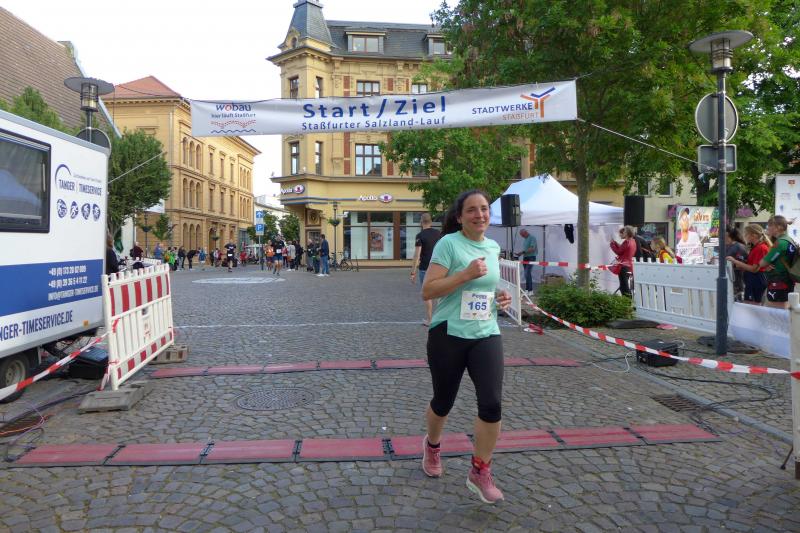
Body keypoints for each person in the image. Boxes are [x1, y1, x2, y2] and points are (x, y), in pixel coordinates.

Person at [420, 189, 512, 504]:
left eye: (484, 208)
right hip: (448, 333)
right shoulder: (448, 244)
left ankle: (480, 470)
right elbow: (428, 290)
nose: (479, 214)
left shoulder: (493, 247)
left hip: (486, 332)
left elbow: (486, 289)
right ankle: (432, 446)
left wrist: (500, 297)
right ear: (460, 217)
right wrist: (464, 274)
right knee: (443, 401)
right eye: (471, 210)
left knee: (492, 404)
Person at [727, 223, 771, 305]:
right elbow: (750, 265)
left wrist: (735, 261)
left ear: (754, 235)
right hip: (752, 279)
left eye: (746, 234)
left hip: (756, 279)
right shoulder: (756, 246)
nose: (744, 236)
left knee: (752, 305)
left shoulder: (761, 248)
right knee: (749, 304)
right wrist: (739, 265)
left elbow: (754, 269)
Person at [410, 213, 441, 326]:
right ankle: (441, 319)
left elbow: (417, 255)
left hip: (425, 268)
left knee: (427, 294)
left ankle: (430, 320)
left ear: (421, 222)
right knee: (439, 293)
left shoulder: (420, 236)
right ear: (431, 222)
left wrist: (413, 272)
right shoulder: (439, 234)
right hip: (438, 267)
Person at [761, 215, 797, 309]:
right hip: (787, 279)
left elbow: (762, 263)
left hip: (779, 280)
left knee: (776, 311)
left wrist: (767, 263)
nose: (768, 228)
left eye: (770, 225)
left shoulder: (780, 242)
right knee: (784, 308)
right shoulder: (789, 240)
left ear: (779, 227)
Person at [610, 226, 636, 297]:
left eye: (623, 232)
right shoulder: (633, 241)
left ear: (626, 233)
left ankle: (627, 301)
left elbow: (618, 252)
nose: (621, 234)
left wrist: (612, 244)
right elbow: (623, 249)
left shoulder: (626, 242)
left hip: (623, 266)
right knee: (624, 285)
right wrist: (615, 243)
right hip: (629, 265)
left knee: (624, 286)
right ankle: (627, 300)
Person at [724, 227, 748, 300]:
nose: (723, 238)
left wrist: (732, 263)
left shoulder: (739, 247)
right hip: (728, 278)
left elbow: (742, 265)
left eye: (725, 236)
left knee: (736, 301)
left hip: (737, 280)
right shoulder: (726, 246)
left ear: (730, 236)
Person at [518, 228, 538, 294]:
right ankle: (527, 289)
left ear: (525, 232)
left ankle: (530, 290)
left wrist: (523, 252)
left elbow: (532, 248)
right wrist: (521, 253)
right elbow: (526, 250)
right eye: (521, 235)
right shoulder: (525, 239)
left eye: (522, 235)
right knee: (526, 274)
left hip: (531, 257)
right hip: (525, 257)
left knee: (527, 273)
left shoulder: (532, 238)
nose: (522, 236)